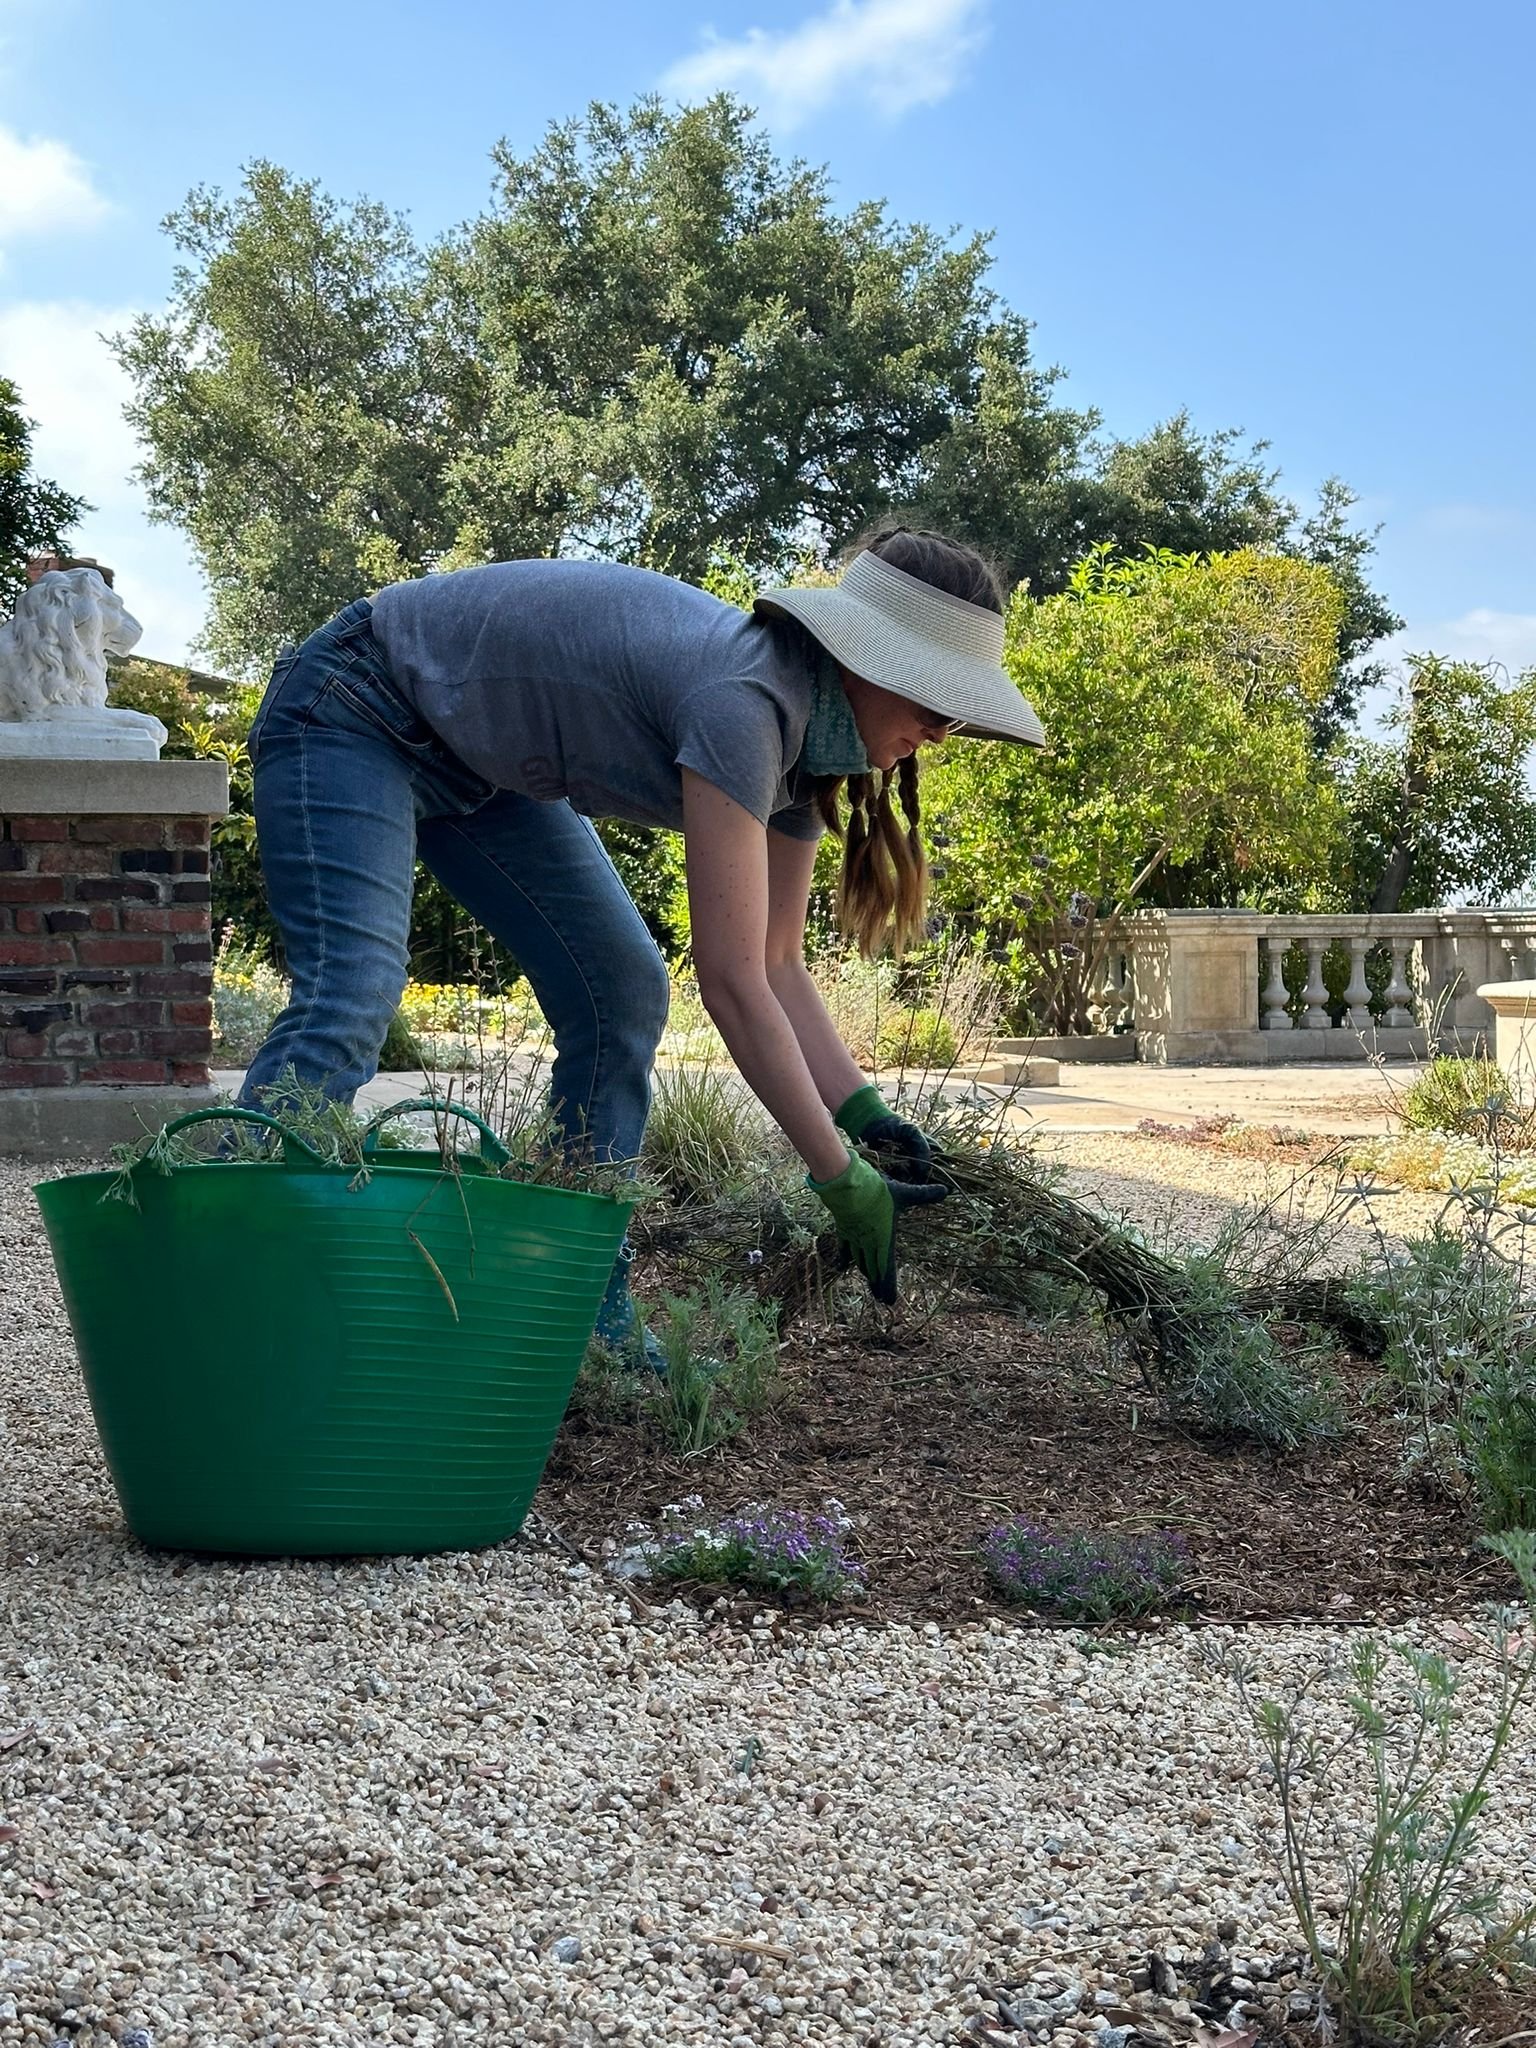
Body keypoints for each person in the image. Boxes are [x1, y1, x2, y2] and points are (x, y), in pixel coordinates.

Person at [237, 526, 1045, 1360]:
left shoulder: (807, 754)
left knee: (620, 991)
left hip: (478, 765)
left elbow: (778, 966)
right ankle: (226, 1263)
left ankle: (579, 1299)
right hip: (357, 700)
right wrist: (838, 1176)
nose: (944, 732)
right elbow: (730, 983)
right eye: (934, 702)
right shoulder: (748, 703)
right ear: (870, 661)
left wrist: (867, 1121)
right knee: (352, 991)